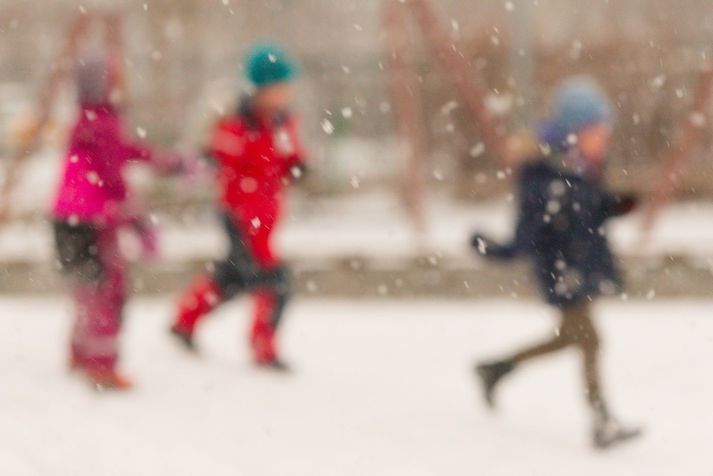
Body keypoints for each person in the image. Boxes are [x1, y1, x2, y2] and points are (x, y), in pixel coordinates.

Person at [471, 77, 641, 449]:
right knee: (590, 341)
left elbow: (585, 212)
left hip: (581, 267)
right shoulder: (542, 175)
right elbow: (525, 237)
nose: (605, 137)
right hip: (563, 272)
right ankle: (601, 422)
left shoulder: (580, 167)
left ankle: (496, 368)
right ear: (575, 130)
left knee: (570, 338)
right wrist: (489, 248)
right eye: (598, 130)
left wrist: (614, 206)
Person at [170, 44, 306, 370]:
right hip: (240, 217)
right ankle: (264, 347)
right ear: (261, 88)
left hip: (267, 216)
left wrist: (299, 166)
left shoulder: (281, 123)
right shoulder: (237, 123)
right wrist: (215, 150)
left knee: (231, 278)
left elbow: (288, 158)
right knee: (273, 283)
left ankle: (184, 321)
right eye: (280, 86)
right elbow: (222, 156)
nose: (286, 93)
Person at [53, 52, 183, 391]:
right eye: (115, 76)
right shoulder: (106, 122)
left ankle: (80, 351)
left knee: (85, 288)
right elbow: (114, 180)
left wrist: (162, 160)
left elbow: (120, 151)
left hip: (67, 215)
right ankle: (101, 366)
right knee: (108, 292)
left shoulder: (85, 120)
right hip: (95, 217)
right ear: (105, 83)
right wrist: (140, 223)